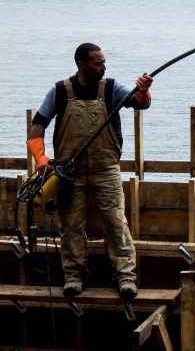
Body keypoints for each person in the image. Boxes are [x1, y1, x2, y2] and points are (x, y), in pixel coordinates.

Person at [27, 43, 153, 299]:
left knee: (116, 222)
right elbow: (38, 124)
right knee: (71, 225)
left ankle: (126, 276)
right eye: (98, 62)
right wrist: (40, 159)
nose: (104, 66)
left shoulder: (111, 88)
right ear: (81, 64)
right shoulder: (61, 91)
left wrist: (144, 90)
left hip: (106, 169)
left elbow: (139, 104)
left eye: (104, 61)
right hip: (68, 172)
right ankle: (73, 275)